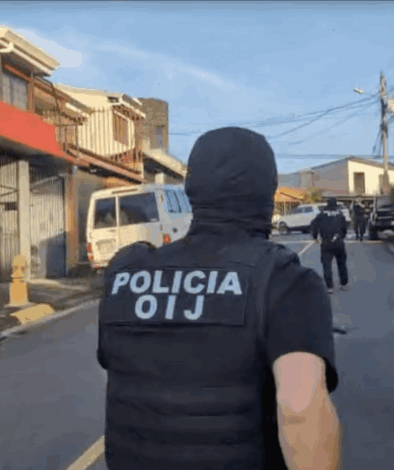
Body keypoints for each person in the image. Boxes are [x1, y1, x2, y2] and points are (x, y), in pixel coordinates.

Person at [96, 127, 341, 470]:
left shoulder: (125, 274)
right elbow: (300, 411)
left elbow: (119, 380)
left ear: (192, 191)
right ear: (267, 195)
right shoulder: (285, 282)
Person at [311, 198, 349, 293]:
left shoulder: (321, 214)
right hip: (338, 241)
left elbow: (314, 225)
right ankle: (344, 284)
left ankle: (329, 286)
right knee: (342, 263)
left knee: (326, 265)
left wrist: (315, 237)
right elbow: (344, 228)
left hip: (326, 242)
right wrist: (342, 236)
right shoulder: (340, 214)